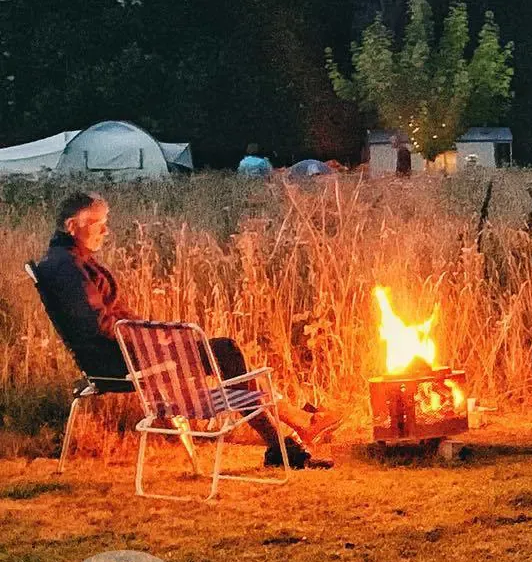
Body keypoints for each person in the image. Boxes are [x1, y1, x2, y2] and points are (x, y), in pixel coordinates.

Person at [32, 192, 337, 468]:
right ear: (72, 225)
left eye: (105, 222)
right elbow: (97, 326)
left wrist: (154, 335)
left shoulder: (71, 261)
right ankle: (287, 440)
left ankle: (289, 437)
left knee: (227, 358)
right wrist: (158, 338)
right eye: (97, 223)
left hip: (125, 353)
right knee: (225, 352)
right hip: (119, 362)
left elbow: (110, 321)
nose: (105, 230)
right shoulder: (67, 268)